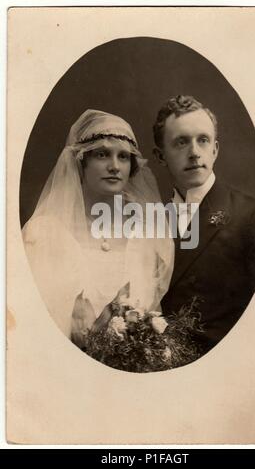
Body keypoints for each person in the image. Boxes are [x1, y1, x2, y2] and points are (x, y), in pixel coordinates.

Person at [22, 109, 174, 348]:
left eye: (123, 157)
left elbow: (150, 320)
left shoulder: (144, 237)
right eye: (103, 155)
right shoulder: (45, 233)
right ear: (81, 161)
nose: (114, 166)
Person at [153, 95, 255, 353]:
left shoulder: (251, 216)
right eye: (181, 142)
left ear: (215, 150)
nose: (194, 152)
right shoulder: (153, 221)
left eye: (202, 140)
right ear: (161, 157)